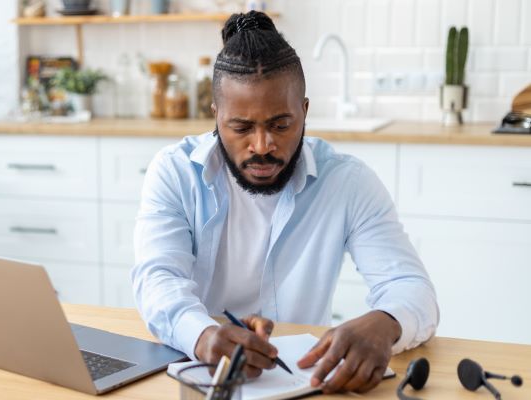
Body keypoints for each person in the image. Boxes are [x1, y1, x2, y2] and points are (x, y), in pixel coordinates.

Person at [131, 11, 439, 394]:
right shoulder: (175, 172)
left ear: (305, 112)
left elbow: (412, 288)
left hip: (305, 386)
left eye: (281, 125)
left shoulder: (348, 182)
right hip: (200, 383)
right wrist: (203, 335)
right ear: (216, 117)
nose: (262, 146)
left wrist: (386, 321)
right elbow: (158, 279)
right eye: (241, 127)